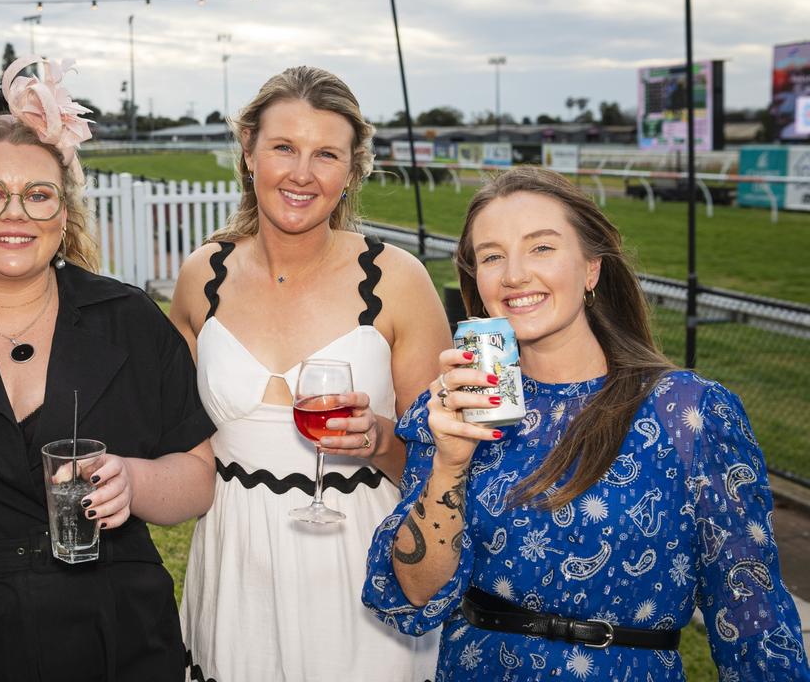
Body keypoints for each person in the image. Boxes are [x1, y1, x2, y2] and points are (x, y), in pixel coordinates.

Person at [363, 166, 810, 681]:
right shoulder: (451, 409)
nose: (513, 275)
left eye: (542, 248)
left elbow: (752, 619)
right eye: (492, 256)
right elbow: (410, 596)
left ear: (592, 268)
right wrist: (449, 462)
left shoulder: (689, 413)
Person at [0, 56, 217, 682]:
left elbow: (197, 478)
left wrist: (134, 481)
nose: (14, 213)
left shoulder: (129, 320)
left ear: (64, 215)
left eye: (38, 195)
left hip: (116, 629)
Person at [171, 66, 447, 681]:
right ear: (248, 152)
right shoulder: (200, 276)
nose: (302, 173)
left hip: (358, 575)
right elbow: (166, 435)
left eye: (326, 154)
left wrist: (378, 438)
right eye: (283, 148)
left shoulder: (398, 281)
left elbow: (448, 472)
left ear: (352, 169)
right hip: (235, 569)